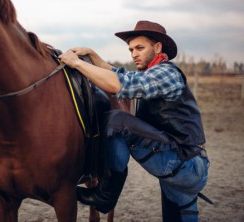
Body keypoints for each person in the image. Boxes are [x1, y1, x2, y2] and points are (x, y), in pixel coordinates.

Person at [59, 20, 209, 222]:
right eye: (131, 50)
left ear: (157, 47)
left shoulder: (167, 73)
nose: (134, 54)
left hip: (184, 163)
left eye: (140, 48)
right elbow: (121, 75)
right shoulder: (152, 73)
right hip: (183, 162)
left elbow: (122, 84)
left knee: (118, 121)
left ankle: (105, 195)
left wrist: (77, 63)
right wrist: (94, 56)